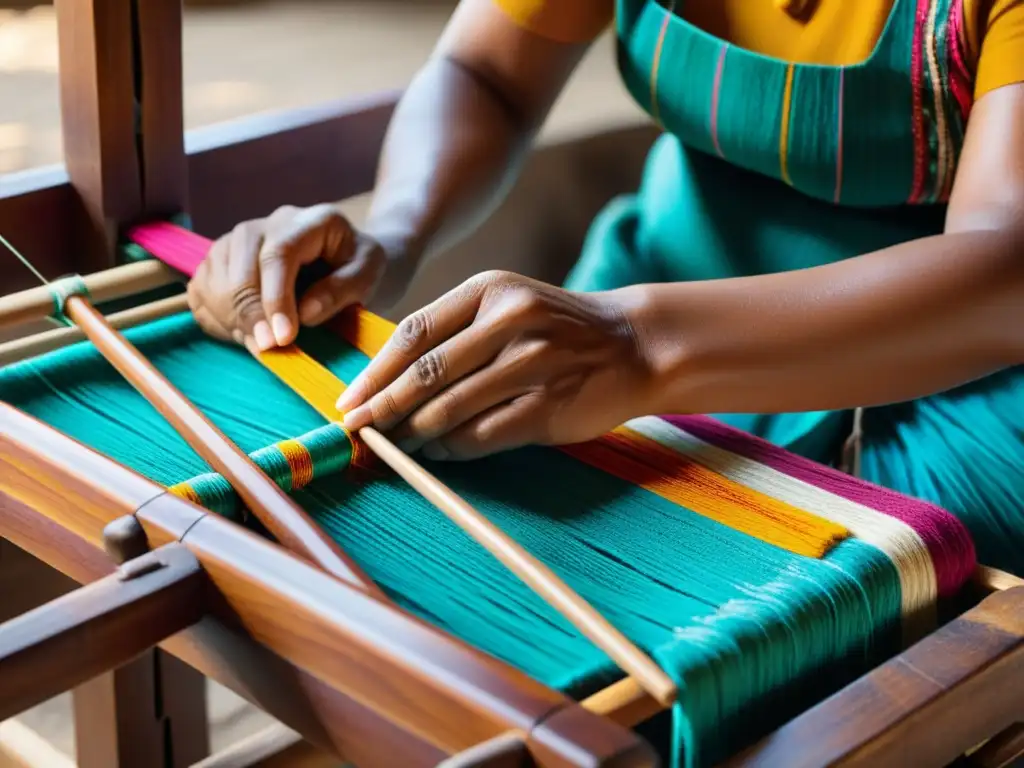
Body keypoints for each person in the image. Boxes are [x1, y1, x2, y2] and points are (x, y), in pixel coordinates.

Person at [187, 0, 1024, 572]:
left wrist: (638, 343)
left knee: (872, 620)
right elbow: (490, 73)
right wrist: (392, 232)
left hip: (950, 354)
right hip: (669, 269)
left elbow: (1005, 264)